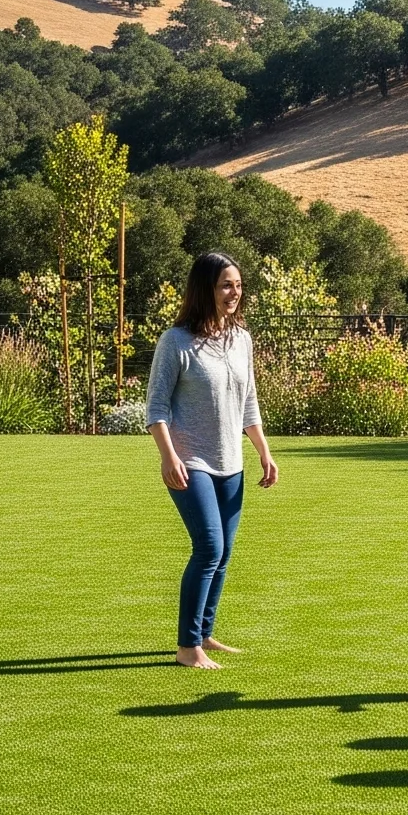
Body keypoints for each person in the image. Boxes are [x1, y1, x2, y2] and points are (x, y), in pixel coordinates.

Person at [146, 252, 280, 669]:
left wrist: (264, 452)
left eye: (238, 285)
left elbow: (248, 403)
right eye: (225, 285)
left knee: (223, 554)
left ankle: (204, 633)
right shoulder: (176, 342)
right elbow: (156, 408)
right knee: (209, 547)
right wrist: (168, 457)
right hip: (191, 462)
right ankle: (188, 647)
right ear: (205, 289)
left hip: (231, 462)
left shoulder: (241, 339)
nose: (234, 293)